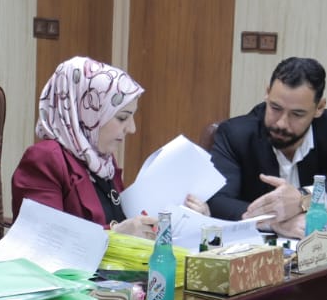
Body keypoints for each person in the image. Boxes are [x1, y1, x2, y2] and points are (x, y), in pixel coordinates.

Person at [11, 56, 209, 239]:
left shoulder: (102, 161)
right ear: (88, 113)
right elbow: (44, 240)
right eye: (122, 118)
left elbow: (126, 220)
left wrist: (190, 217)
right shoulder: (45, 158)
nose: (132, 128)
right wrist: (116, 234)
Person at [208, 57, 327, 238]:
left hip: (320, 245)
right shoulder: (236, 134)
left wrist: (304, 199)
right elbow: (217, 200)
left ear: (319, 108)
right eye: (275, 108)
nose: (281, 123)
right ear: (267, 93)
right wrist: (275, 221)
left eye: (297, 114)